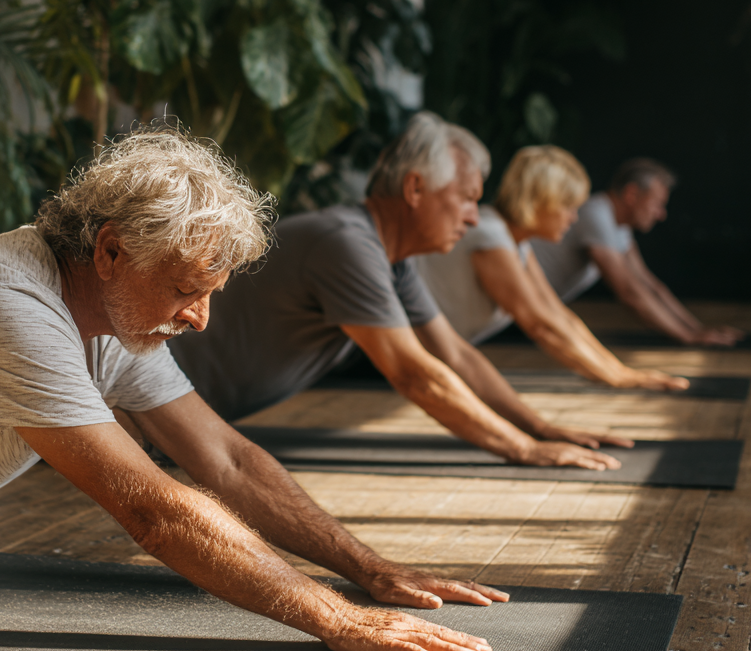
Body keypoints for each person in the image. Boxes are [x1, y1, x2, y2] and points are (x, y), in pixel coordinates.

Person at [0, 127, 503, 651]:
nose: (200, 318)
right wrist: (335, 618)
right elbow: (154, 509)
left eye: (212, 293)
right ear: (109, 249)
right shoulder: (3, 305)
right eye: (188, 290)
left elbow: (226, 460)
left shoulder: (113, 318)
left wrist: (370, 571)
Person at [171, 113, 632, 472]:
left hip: (181, 422)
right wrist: (524, 449)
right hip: (145, 416)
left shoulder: (393, 257)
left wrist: (540, 428)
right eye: (467, 197)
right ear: (415, 188)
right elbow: (415, 375)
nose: (474, 217)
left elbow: (454, 353)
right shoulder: (346, 243)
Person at [417, 145, 688, 391]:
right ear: (539, 200)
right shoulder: (491, 235)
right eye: (568, 206)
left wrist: (620, 371)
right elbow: (540, 326)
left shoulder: (516, 242)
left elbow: (556, 313)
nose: (574, 217)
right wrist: (617, 378)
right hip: (395, 356)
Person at [531, 158, 745, 346]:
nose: (661, 214)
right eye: (657, 204)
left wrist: (697, 329)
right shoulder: (597, 215)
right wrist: (686, 336)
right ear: (632, 194)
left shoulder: (619, 226)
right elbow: (629, 293)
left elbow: (648, 284)